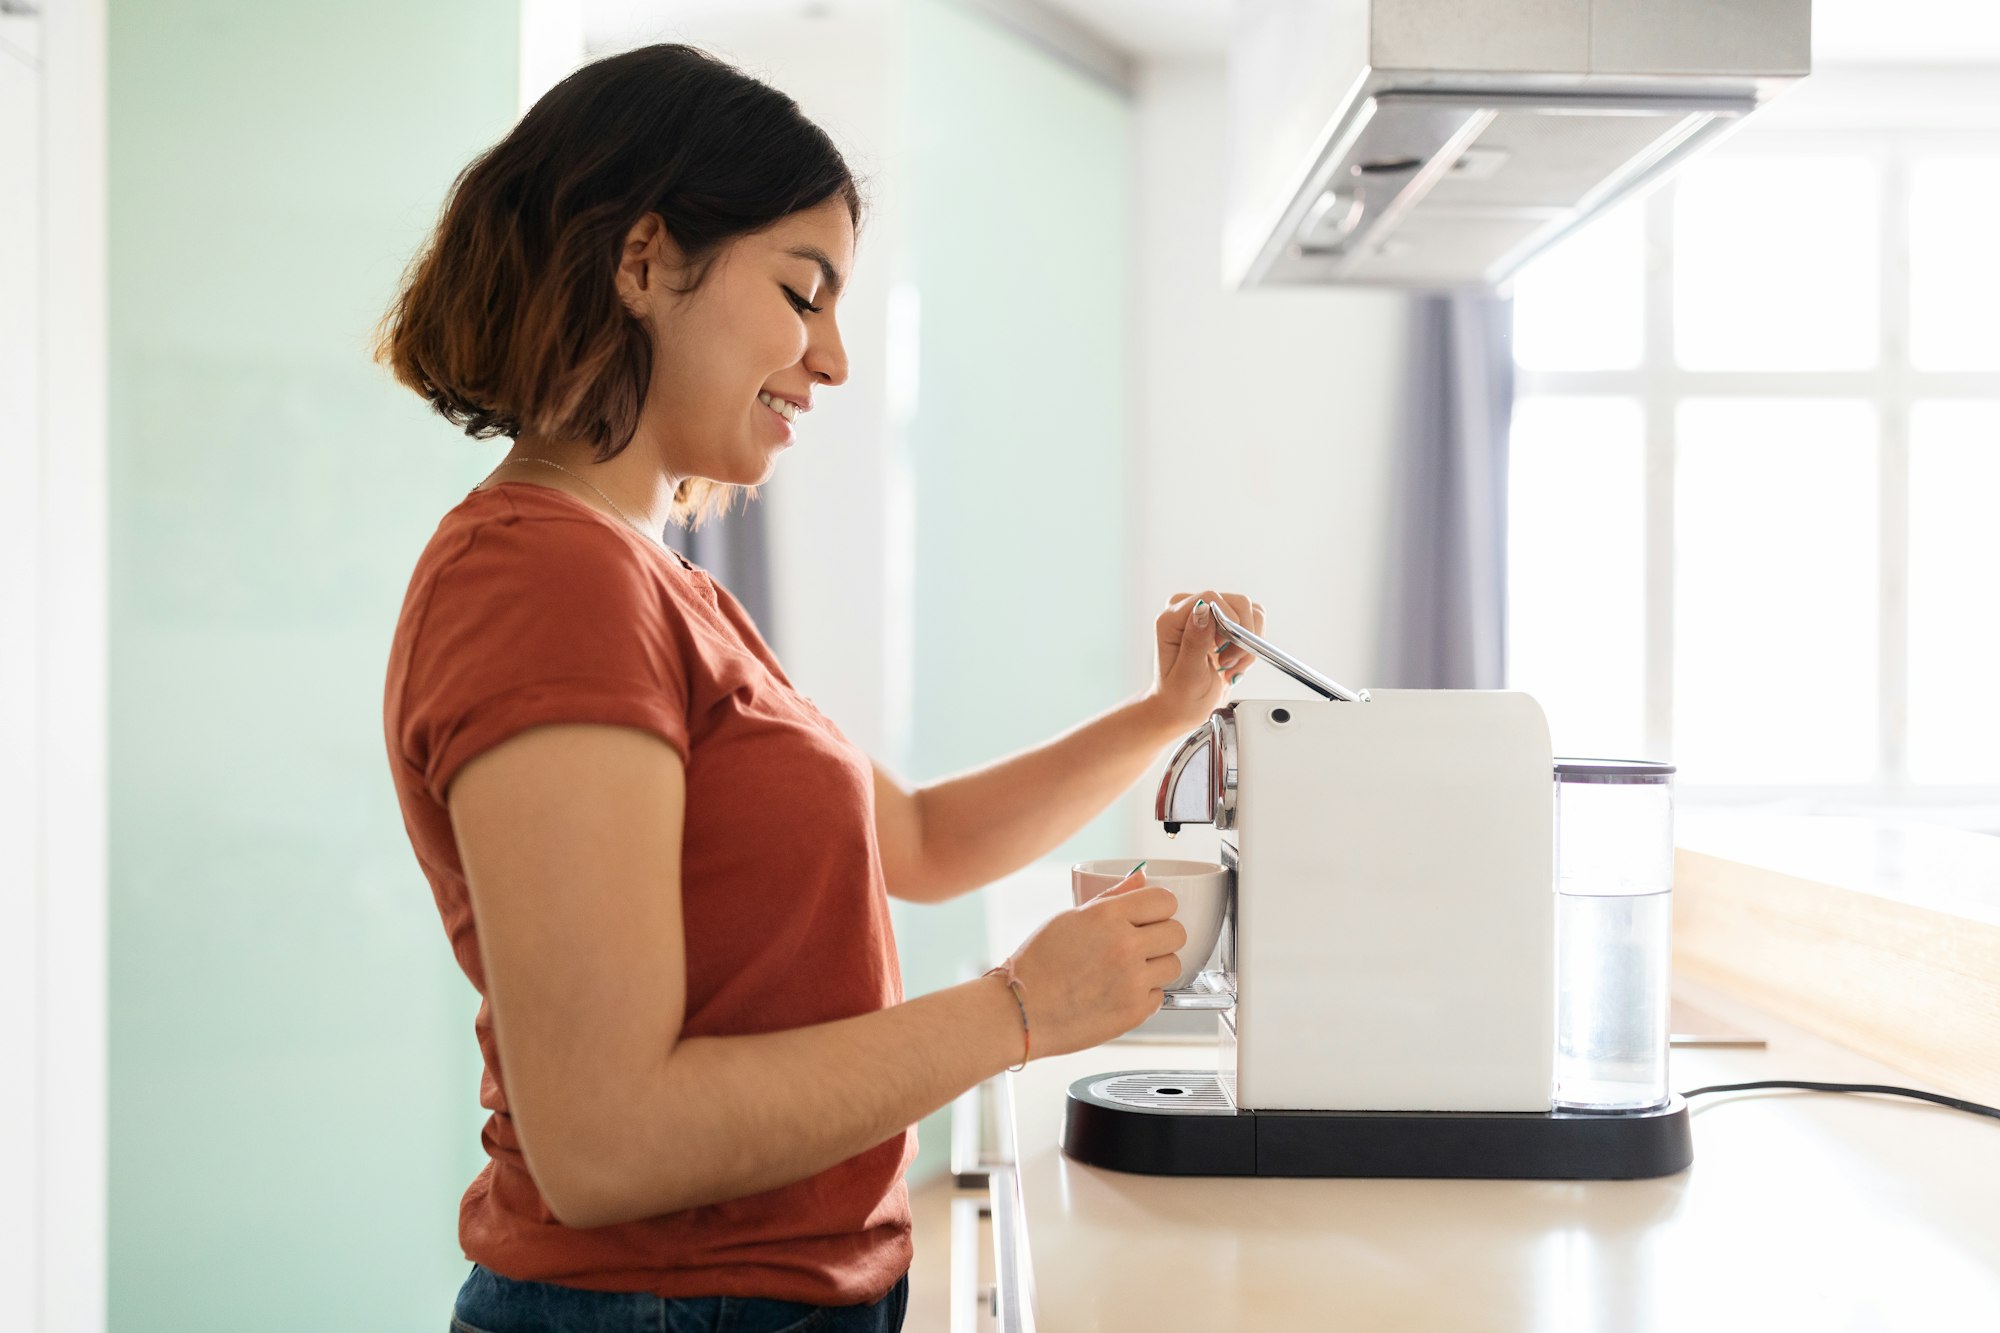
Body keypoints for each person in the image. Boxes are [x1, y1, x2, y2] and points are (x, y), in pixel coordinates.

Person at [377, 43, 1264, 1333]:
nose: (834, 359)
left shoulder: (654, 583)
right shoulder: (548, 583)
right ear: (641, 263)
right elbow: (607, 1143)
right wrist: (1020, 1010)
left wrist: (1165, 713)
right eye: (804, 292)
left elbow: (913, 840)